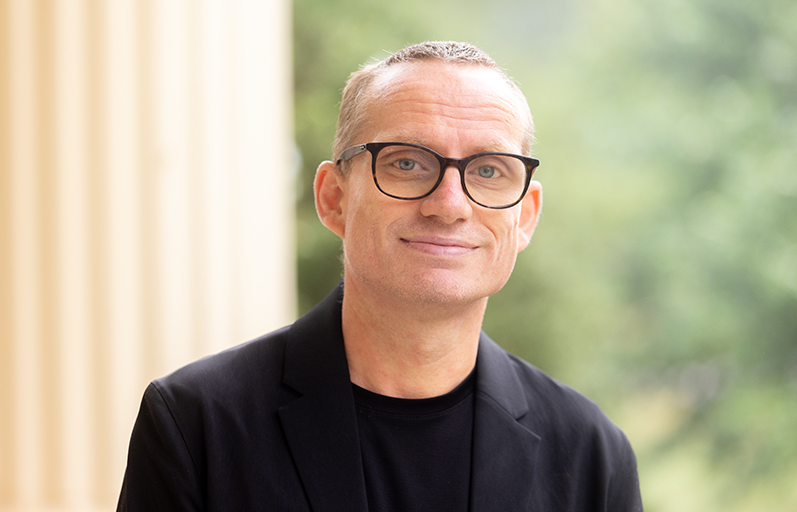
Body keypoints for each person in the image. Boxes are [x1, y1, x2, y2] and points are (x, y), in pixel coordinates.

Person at [118, 41, 643, 511]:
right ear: (334, 198)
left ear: (524, 216)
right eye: (407, 163)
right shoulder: (197, 425)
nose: (450, 205)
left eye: (488, 171)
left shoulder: (592, 453)